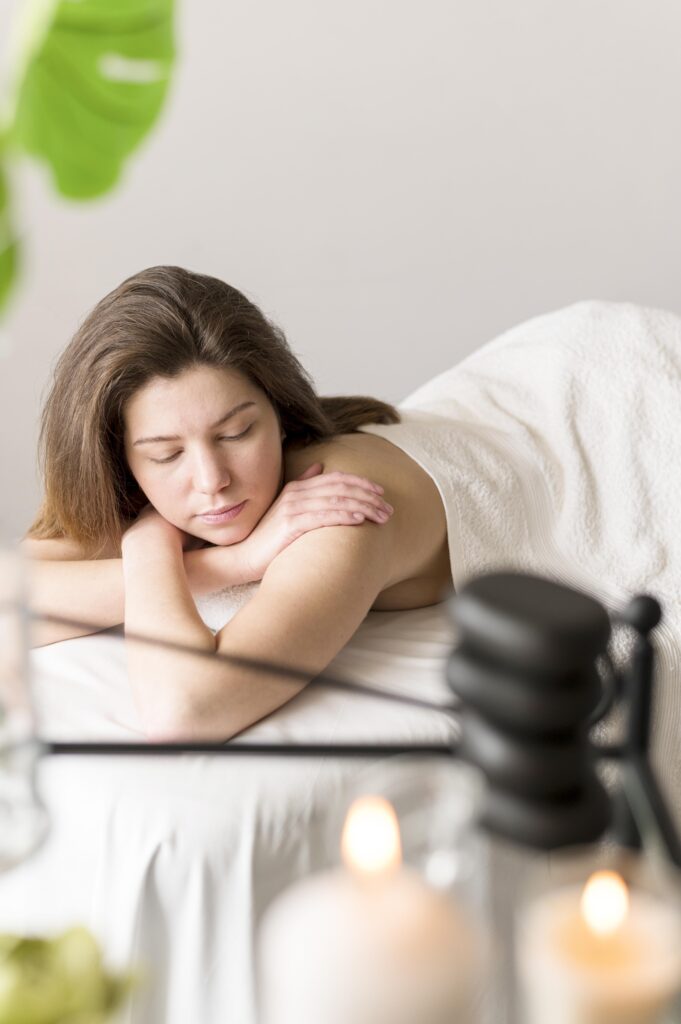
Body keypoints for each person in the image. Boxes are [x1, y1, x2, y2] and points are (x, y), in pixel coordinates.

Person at [23, 266, 452, 742]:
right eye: (166, 454)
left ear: (279, 412)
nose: (212, 481)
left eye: (237, 433)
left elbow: (183, 711)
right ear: (120, 458)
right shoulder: (148, 497)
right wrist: (226, 561)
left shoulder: (339, 504)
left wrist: (146, 542)